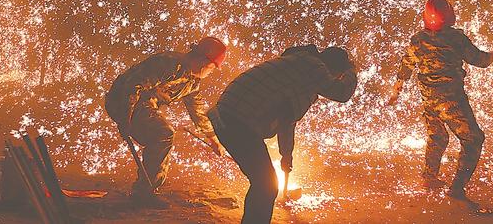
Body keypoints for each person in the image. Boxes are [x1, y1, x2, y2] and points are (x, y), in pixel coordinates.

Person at [208, 44, 358, 224]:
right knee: (266, 185)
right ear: (333, 69)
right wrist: (352, 72)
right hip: (237, 121)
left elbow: (286, 118)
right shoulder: (314, 67)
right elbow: (341, 93)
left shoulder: (297, 64)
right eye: (336, 75)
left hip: (227, 116)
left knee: (264, 182)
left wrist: (286, 155)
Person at [387, 0, 493, 212]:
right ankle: (457, 191)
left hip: (428, 98)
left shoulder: (418, 39)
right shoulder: (456, 39)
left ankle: (429, 177)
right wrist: (490, 57)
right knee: (474, 139)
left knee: (438, 135)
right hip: (451, 99)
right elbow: (479, 61)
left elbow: (406, 64)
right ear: (449, 16)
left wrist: (396, 90)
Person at [105, 36, 228, 200]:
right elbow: (133, 85)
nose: (211, 72)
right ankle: (143, 193)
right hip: (122, 100)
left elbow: (197, 112)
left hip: (144, 105)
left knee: (162, 134)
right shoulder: (169, 63)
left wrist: (214, 141)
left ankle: (148, 188)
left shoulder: (191, 82)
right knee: (163, 133)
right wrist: (125, 118)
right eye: (212, 68)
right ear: (204, 61)